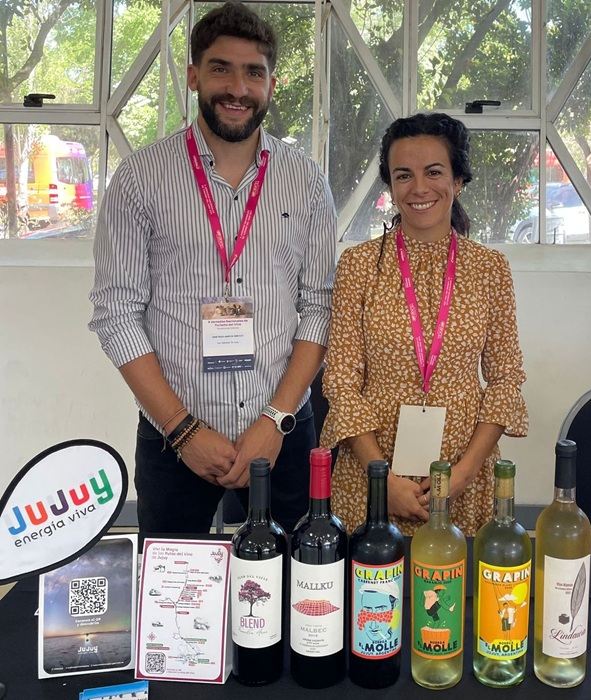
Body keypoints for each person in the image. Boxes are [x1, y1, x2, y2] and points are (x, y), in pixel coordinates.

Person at [89, 2, 336, 537]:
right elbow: (116, 314)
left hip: (282, 432)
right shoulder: (141, 179)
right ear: (194, 75)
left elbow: (320, 308)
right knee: (175, 585)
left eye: (254, 73)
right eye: (221, 68)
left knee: (295, 580)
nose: (238, 89)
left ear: (272, 84)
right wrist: (182, 430)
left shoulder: (306, 181)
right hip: (174, 436)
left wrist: (275, 421)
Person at [320, 112, 527, 537]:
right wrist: (383, 478)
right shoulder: (358, 266)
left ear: (458, 180)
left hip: (463, 478)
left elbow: (506, 379)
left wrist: (465, 472)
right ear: (391, 186)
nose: (418, 188)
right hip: (371, 479)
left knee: (455, 580)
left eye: (433, 172)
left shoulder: (489, 269)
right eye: (403, 175)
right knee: (374, 579)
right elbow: (341, 381)